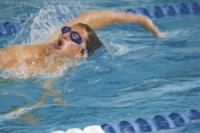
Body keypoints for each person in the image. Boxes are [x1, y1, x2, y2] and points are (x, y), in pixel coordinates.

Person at [0, 10, 165, 77]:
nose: (65, 36)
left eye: (75, 37)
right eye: (66, 31)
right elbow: (91, 16)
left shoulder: (57, 70)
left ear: (81, 54)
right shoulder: (51, 42)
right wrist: (141, 18)